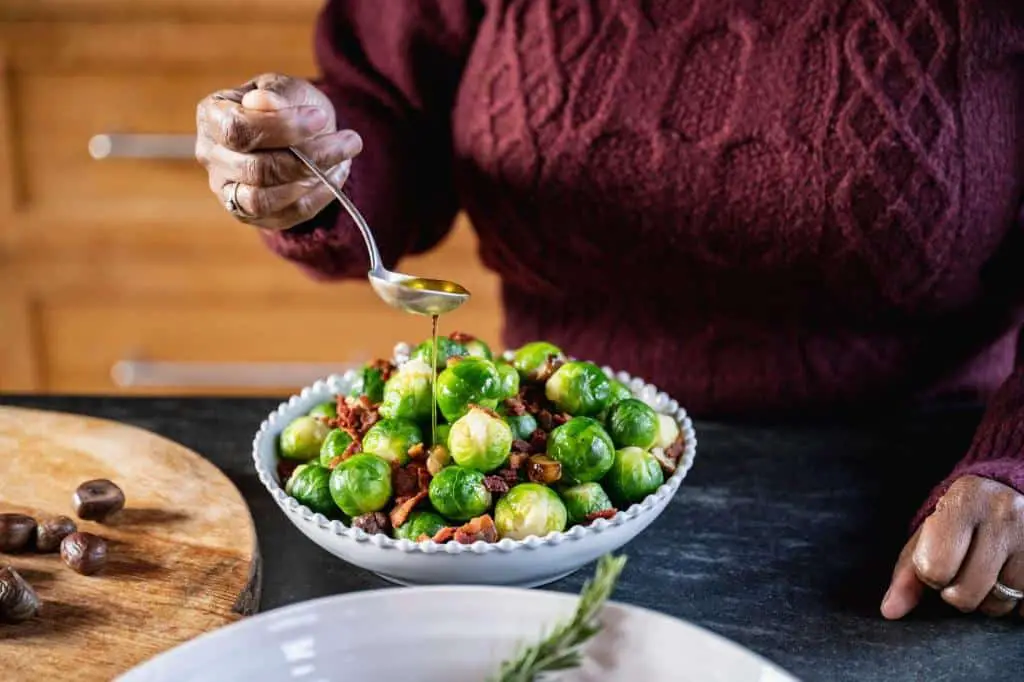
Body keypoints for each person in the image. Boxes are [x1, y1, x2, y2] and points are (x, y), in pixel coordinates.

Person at [196, 2, 1024, 619]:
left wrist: (1015, 461)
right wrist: (311, 164)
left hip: (920, 497)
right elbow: (395, 115)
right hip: (536, 547)